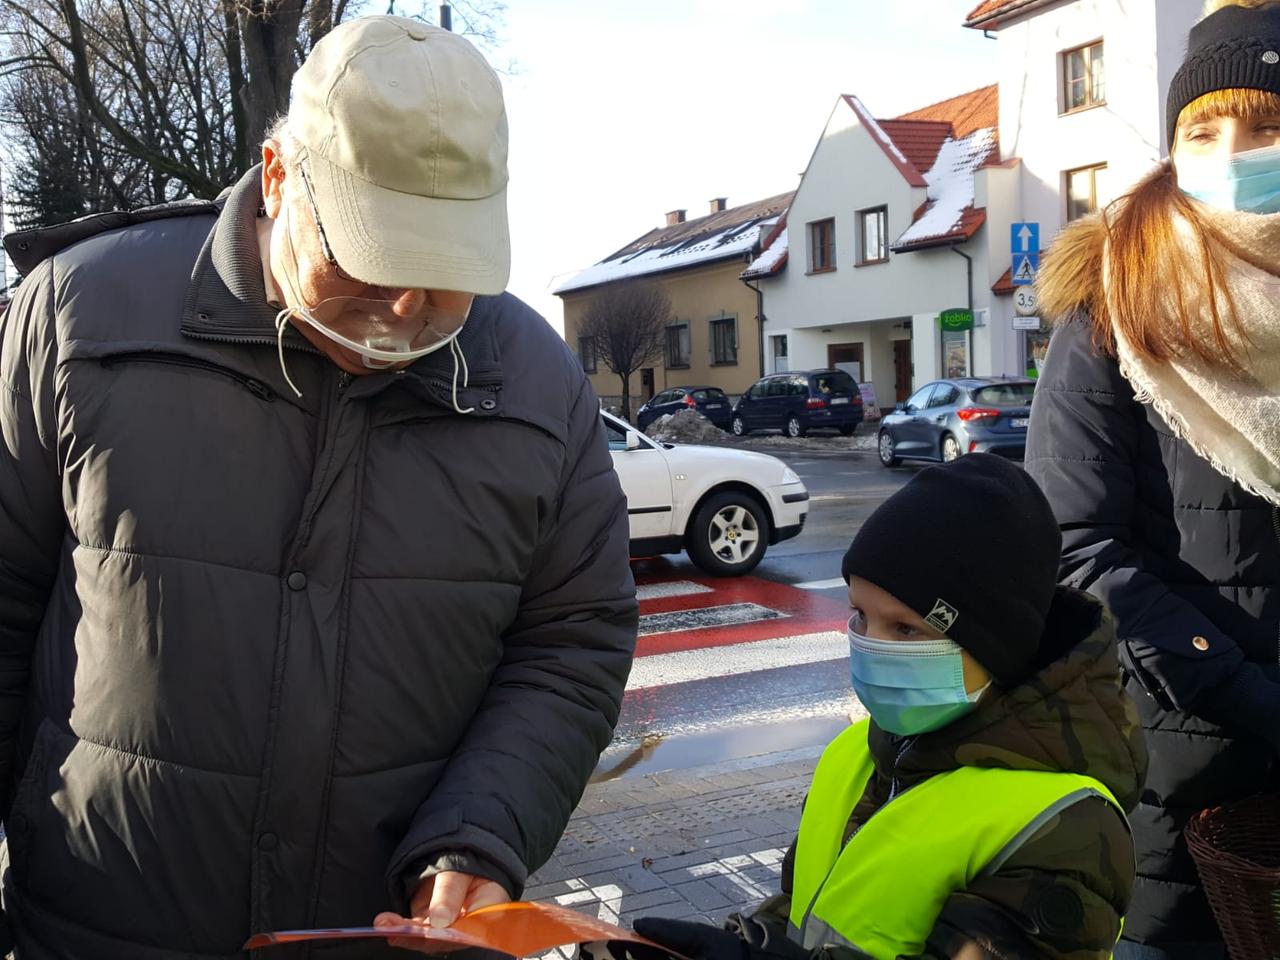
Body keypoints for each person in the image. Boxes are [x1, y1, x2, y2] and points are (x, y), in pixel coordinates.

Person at [0, 15, 637, 959]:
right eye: (375, 255)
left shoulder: (540, 388)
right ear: (277, 176)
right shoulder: (80, 317)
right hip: (97, 929)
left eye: (447, 268)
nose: (410, 306)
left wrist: (481, 833)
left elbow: (571, 642)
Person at [619, 454, 1146, 960]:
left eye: (905, 628)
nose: (872, 645)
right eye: (860, 615)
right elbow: (809, 906)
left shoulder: (1063, 825)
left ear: (996, 645)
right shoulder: (857, 755)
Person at [1026, 2, 1280, 956]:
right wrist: (1256, 698)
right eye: (1205, 129)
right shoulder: (1112, 312)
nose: (1236, 150)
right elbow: (1078, 545)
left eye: (1267, 125)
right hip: (1172, 772)